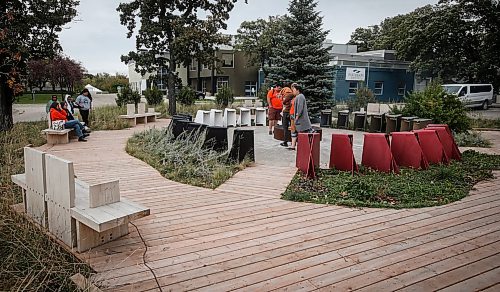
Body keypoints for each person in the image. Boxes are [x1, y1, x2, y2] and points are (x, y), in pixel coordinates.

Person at [289, 83, 313, 150]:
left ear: (297, 90)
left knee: (303, 132)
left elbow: (300, 108)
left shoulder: (300, 97)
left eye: (294, 90)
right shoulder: (299, 97)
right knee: (300, 132)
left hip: (301, 120)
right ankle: (296, 146)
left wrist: (296, 117)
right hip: (300, 119)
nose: (293, 91)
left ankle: (304, 147)